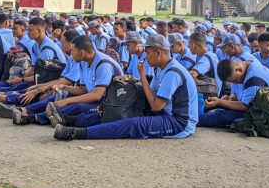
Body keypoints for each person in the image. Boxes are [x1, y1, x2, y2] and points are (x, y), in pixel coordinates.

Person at [52, 34, 198, 140]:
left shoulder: (173, 72)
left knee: (132, 124)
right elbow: (150, 95)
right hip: (163, 112)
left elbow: (156, 105)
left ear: (158, 53)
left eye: (148, 53)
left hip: (178, 121)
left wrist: (142, 78)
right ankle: (68, 120)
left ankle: (77, 133)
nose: (146, 57)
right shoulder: (160, 68)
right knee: (118, 110)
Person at [197, 51, 269, 128]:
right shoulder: (244, 66)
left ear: (239, 69)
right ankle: (193, 114)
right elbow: (238, 94)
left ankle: (193, 120)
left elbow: (245, 106)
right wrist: (230, 98)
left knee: (220, 115)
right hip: (255, 105)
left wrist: (220, 102)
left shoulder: (253, 79)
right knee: (214, 106)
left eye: (234, 80)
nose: (234, 83)